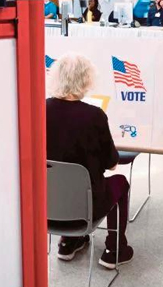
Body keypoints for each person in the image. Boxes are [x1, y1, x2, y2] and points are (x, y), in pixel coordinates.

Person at [46, 54, 133, 268]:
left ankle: (67, 243)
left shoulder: (39, 110)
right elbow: (112, 164)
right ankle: (115, 249)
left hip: (45, 208)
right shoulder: (94, 116)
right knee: (120, 182)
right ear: (86, 80)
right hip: (87, 208)